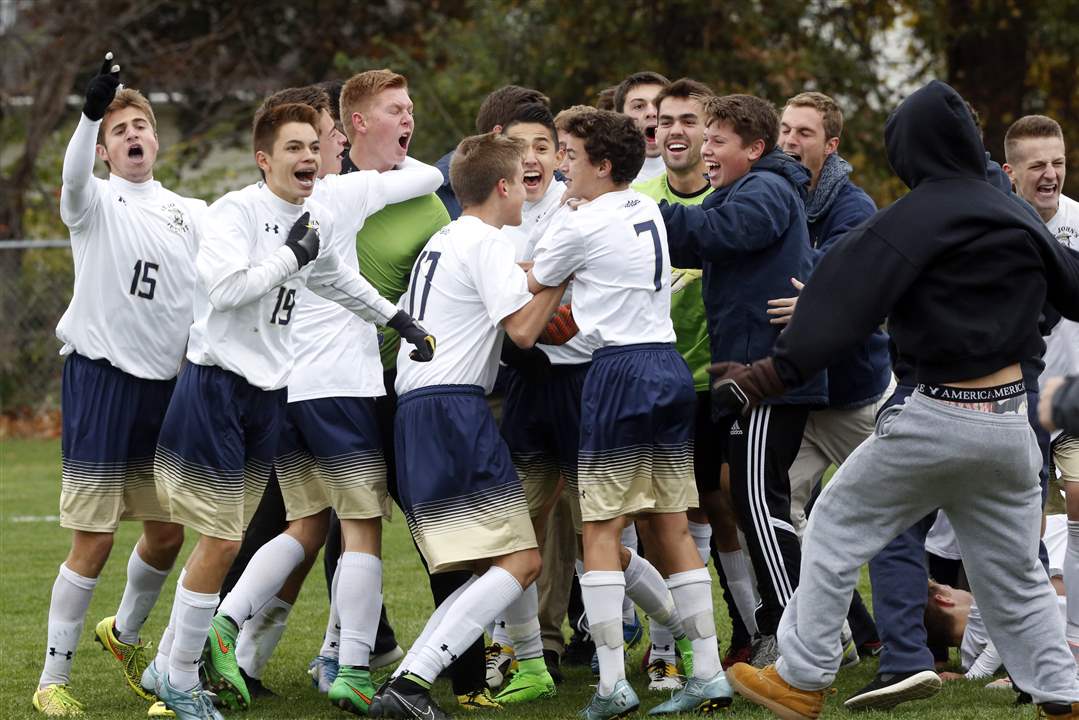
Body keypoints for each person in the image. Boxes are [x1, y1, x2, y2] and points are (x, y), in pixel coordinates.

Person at [717, 80, 1079, 720]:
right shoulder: (1016, 212)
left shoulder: (906, 220)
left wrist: (762, 377)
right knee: (1018, 576)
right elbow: (1071, 289)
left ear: (906, 149)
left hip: (935, 416)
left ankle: (801, 677)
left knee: (830, 528)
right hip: (1012, 426)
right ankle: (1065, 694)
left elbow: (837, 309)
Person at [147, 101, 434, 720]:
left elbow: (331, 276)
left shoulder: (312, 216)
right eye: (294, 148)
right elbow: (227, 291)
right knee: (223, 540)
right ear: (264, 160)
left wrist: (396, 319)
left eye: (313, 146)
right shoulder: (236, 212)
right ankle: (176, 675)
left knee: (241, 537)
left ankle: (173, 662)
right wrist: (291, 256)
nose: (308, 157)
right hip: (216, 387)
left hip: (267, 394)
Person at [528, 108, 730, 719]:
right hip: (667, 368)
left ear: (603, 165)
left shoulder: (580, 223)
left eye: (568, 152)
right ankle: (710, 673)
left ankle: (613, 684)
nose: (561, 162)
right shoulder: (645, 207)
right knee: (670, 524)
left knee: (600, 530)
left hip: (617, 374)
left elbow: (534, 280)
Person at [369, 131, 568, 720]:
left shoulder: (449, 236)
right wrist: (564, 271)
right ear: (504, 187)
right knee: (522, 561)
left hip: (420, 409)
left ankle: (511, 666)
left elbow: (509, 281)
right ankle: (409, 683)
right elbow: (525, 332)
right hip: (454, 409)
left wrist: (543, 269)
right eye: (521, 180)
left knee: (489, 562)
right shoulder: (487, 240)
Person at [33, 53, 201, 718]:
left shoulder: (193, 213)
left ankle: (124, 636)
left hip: (168, 392)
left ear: (156, 139)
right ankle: (52, 678)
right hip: (102, 382)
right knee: (95, 539)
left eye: (141, 125)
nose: (132, 134)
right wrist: (87, 112)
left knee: (165, 535)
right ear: (106, 150)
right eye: (119, 128)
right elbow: (71, 179)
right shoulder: (95, 201)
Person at [660, 94, 828, 669]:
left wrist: (632, 212)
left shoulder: (767, 190)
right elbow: (710, 232)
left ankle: (791, 633)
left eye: (718, 142)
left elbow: (720, 233)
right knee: (753, 498)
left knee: (758, 500)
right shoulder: (748, 188)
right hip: (752, 374)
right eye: (706, 141)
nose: (707, 151)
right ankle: (798, 626)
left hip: (764, 377)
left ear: (755, 149)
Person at [632, 77, 736, 690]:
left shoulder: (733, 199)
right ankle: (668, 646)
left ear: (709, 132)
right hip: (661, 379)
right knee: (662, 514)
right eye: (665, 120)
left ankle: (747, 631)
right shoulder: (640, 198)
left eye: (688, 120)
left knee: (724, 505)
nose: (674, 129)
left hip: (722, 381)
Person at [1003, 113, 1079, 662]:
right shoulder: (995, 226)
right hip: (1013, 401)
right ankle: (1016, 651)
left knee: (1078, 518)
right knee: (1015, 532)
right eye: (1037, 166)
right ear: (1010, 172)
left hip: (1074, 402)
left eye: (1058, 163)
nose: (1049, 175)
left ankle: (1073, 640)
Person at [613, 71, 670, 183]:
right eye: (638, 106)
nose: (651, 113)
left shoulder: (703, 170)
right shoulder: (604, 175)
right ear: (621, 116)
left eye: (659, 104)